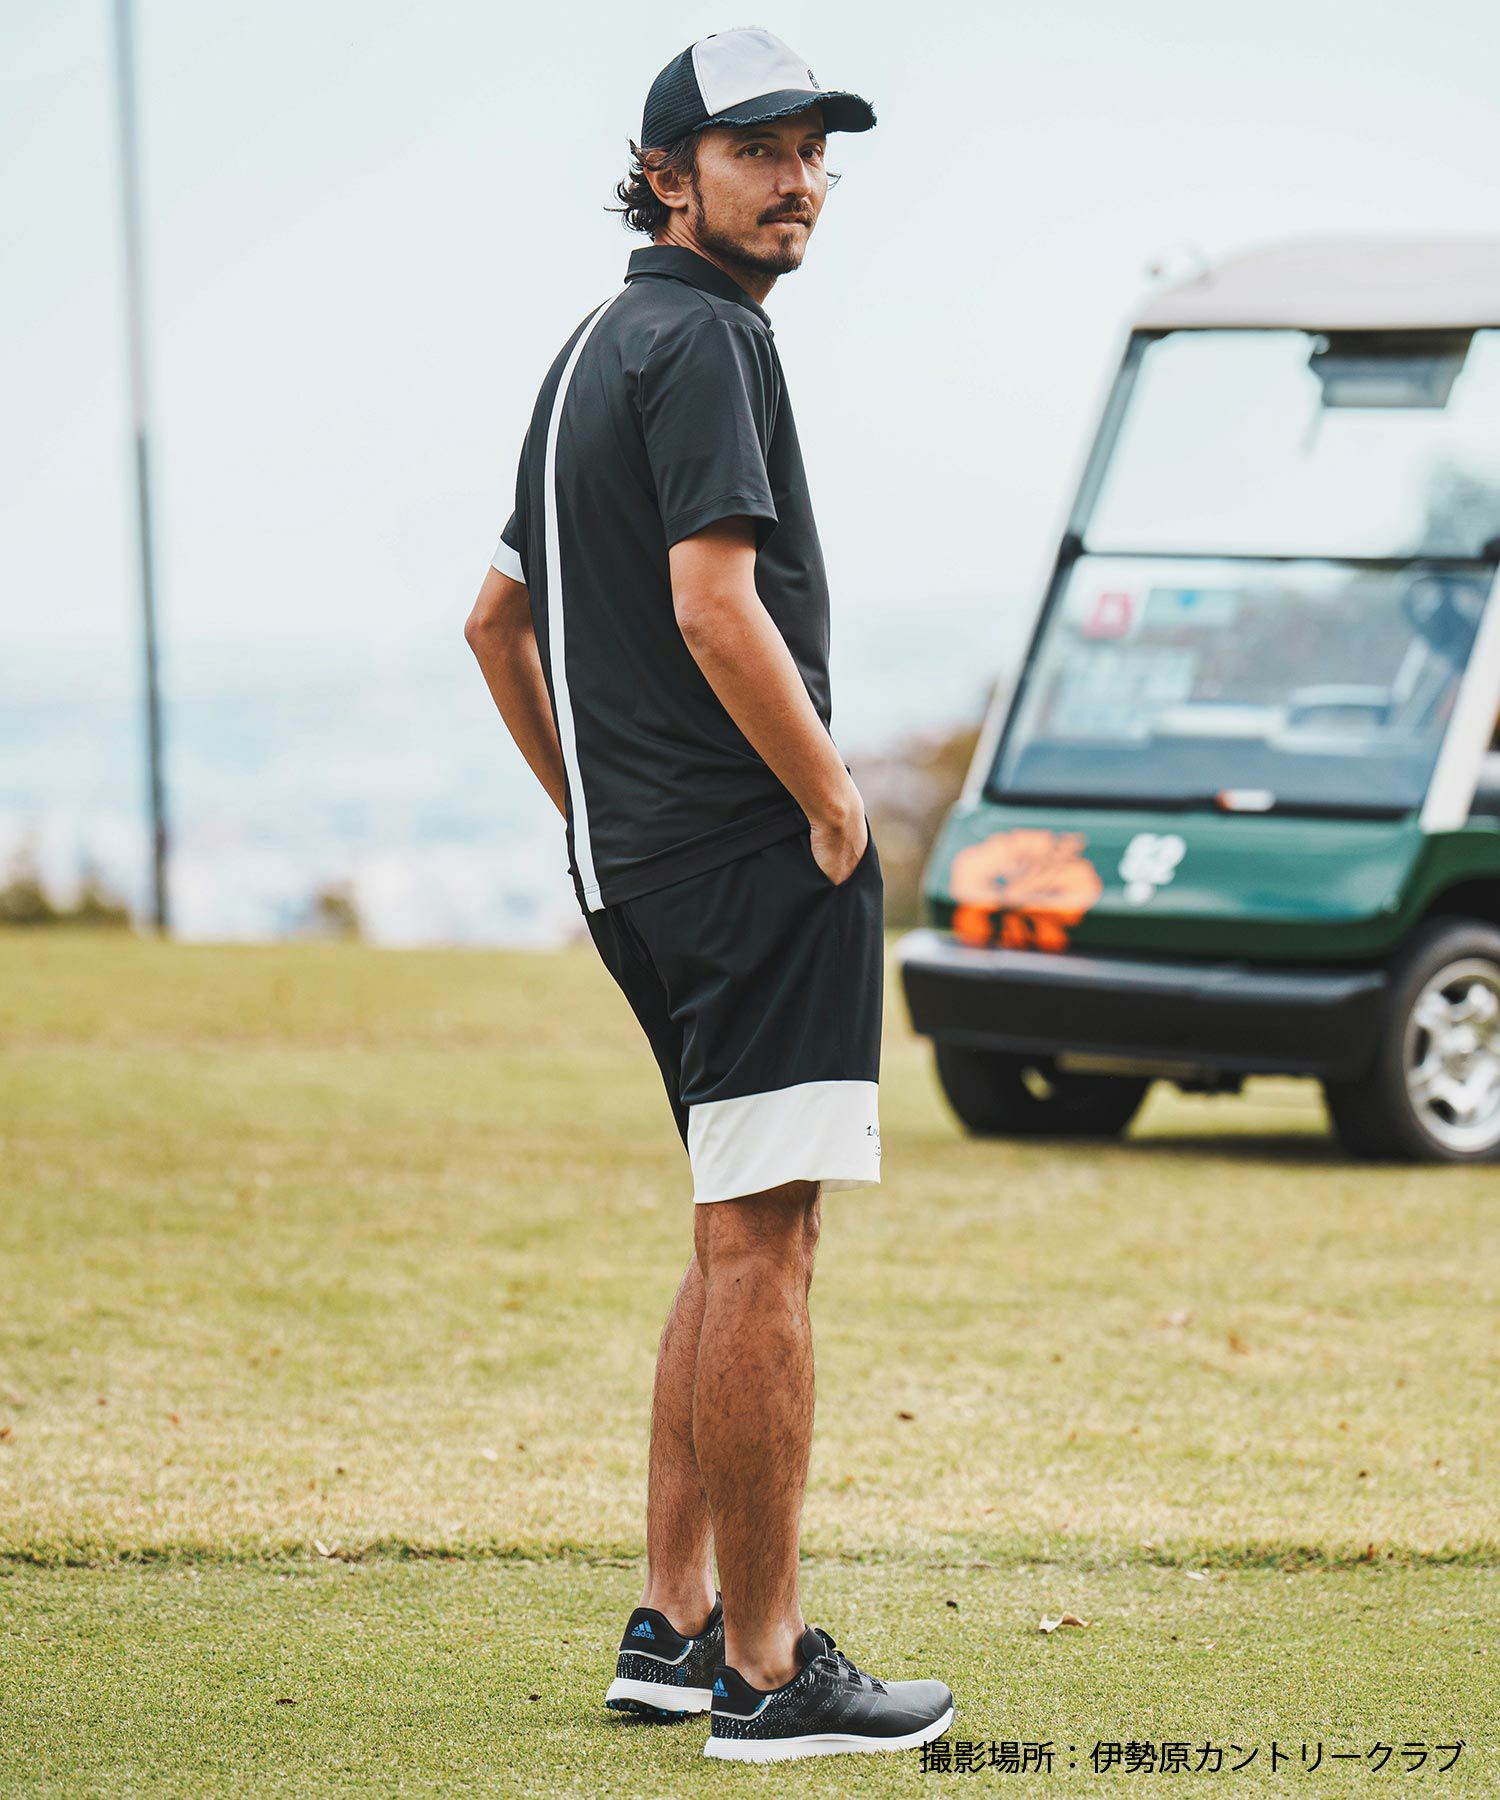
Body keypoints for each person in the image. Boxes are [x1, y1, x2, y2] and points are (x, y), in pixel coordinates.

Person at [464, 26, 954, 1763]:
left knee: (731, 1228)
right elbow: (712, 603)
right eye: (758, 150)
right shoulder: (712, 340)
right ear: (668, 175)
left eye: (815, 151)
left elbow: (495, 625)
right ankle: (764, 1669)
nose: (798, 180)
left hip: (649, 869)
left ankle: (673, 1628)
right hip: (750, 863)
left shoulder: (593, 347)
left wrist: (598, 816)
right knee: (767, 1244)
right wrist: (833, 804)